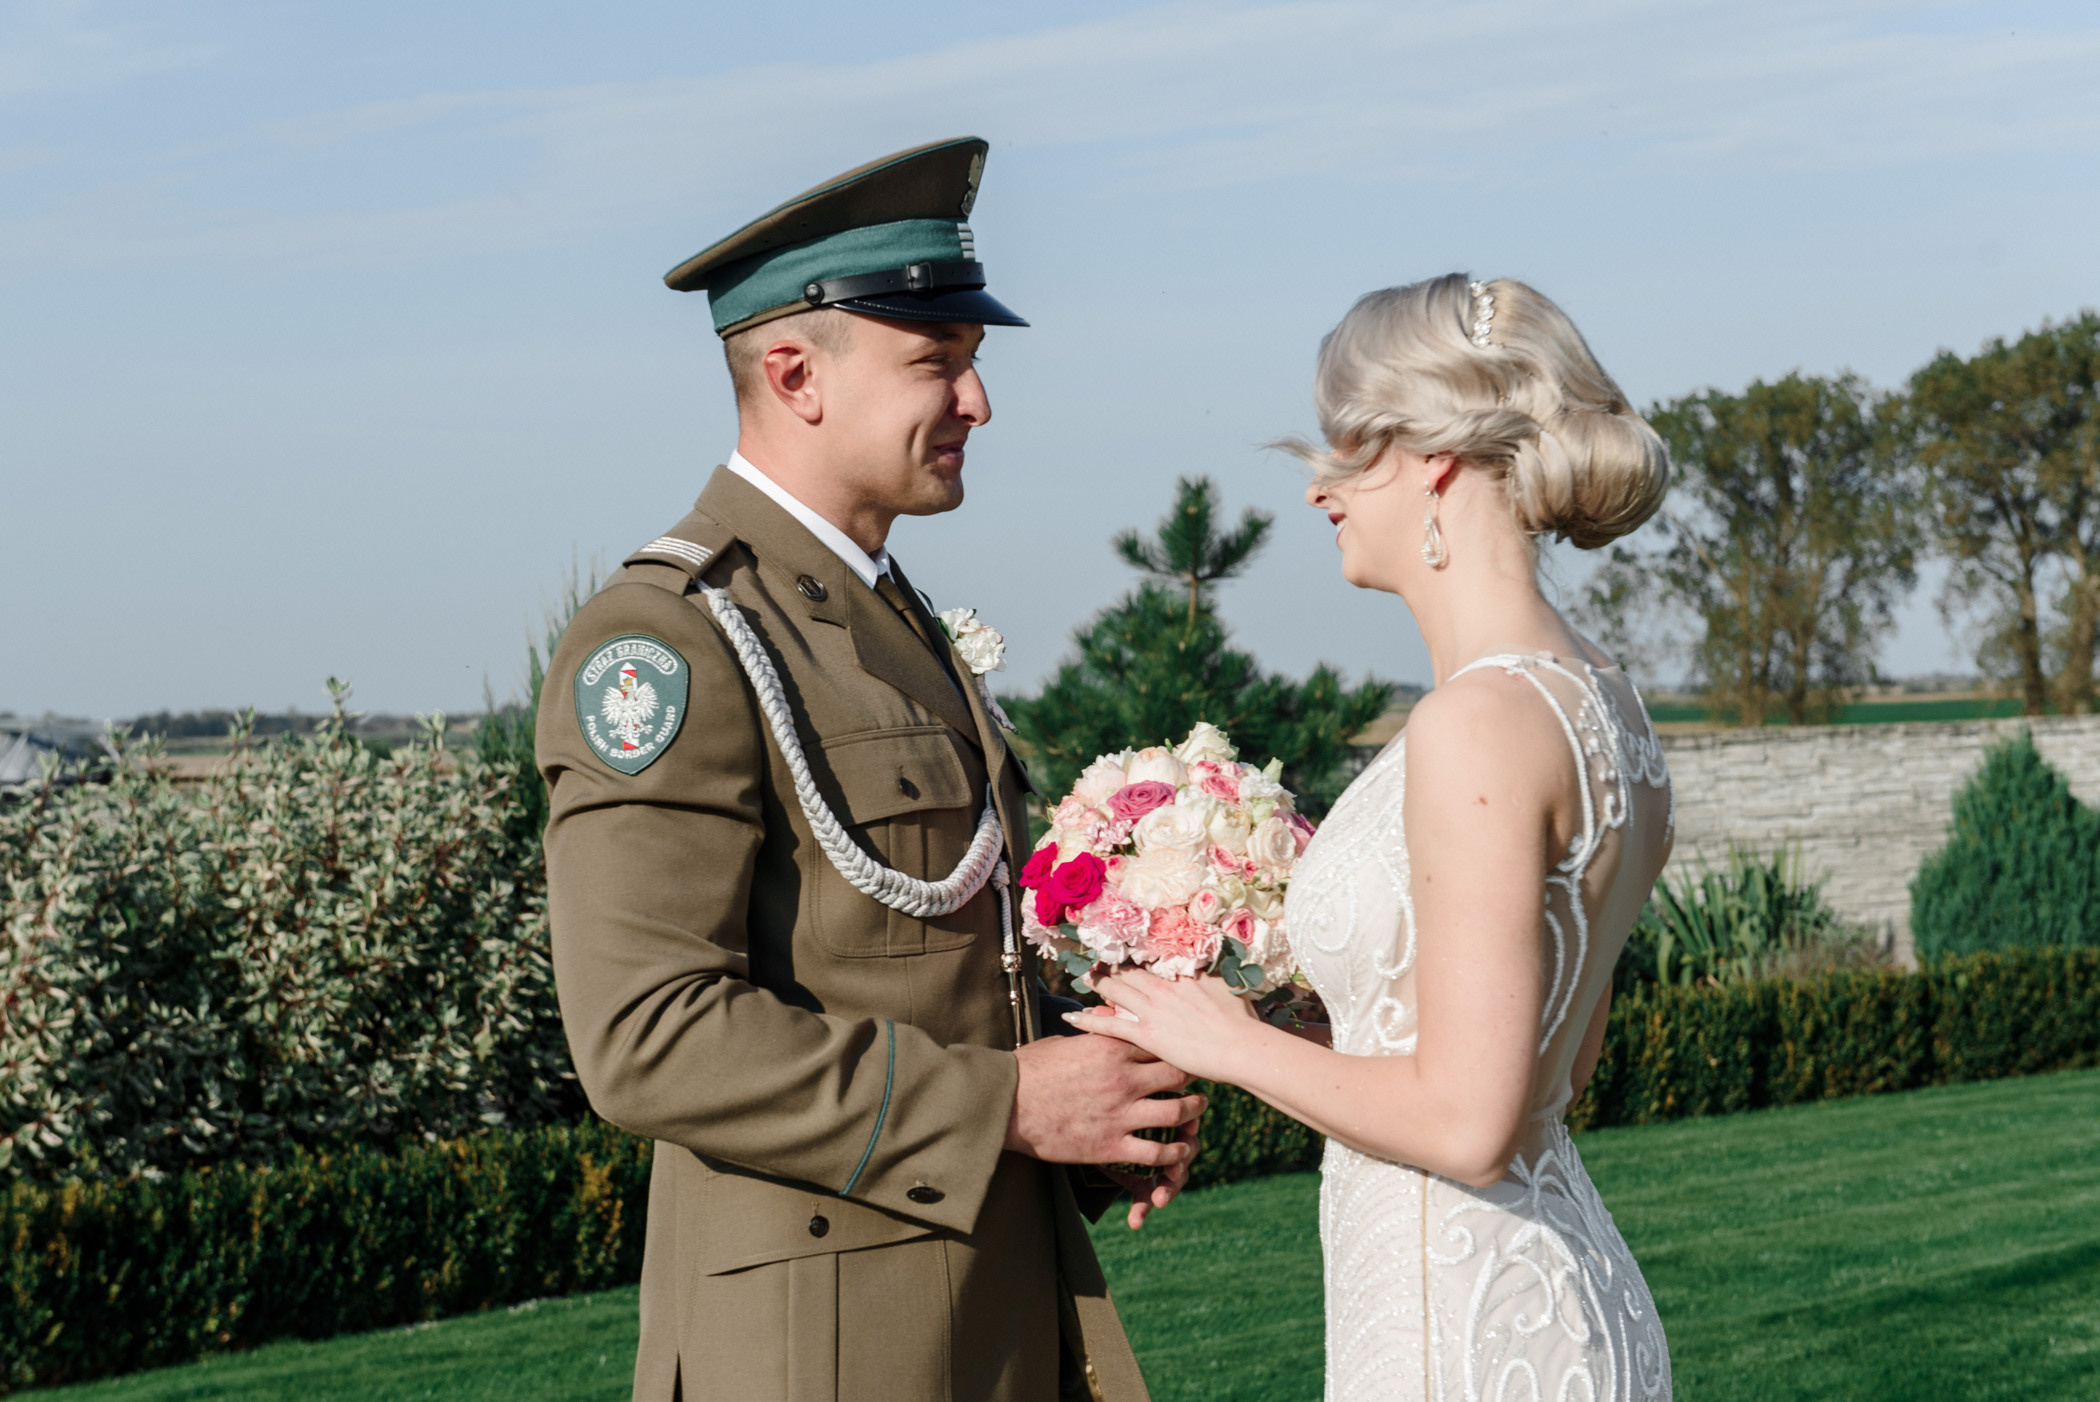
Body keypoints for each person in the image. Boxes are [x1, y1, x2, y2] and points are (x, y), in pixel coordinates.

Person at [537, 137, 1202, 1402]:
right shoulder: (672, 638)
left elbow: (933, 963)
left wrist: (1097, 1095)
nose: (978, 403)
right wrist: (1009, 1104)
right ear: (795, 373)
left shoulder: (878, 614)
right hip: (822, 1349)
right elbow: (643, 1036)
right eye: (936, 364)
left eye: (974, 364)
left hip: (982, 1310)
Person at [1069, 274, 1677, 1400]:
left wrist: (1228, 1042)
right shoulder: (1606, 707)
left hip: (1466, 1325)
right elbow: (1562, 1064)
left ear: (1432, 452)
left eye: (1346, 445)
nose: (1318, 487)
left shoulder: (1475, 727)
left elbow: (1469, 1121)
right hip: (1552, 1286)